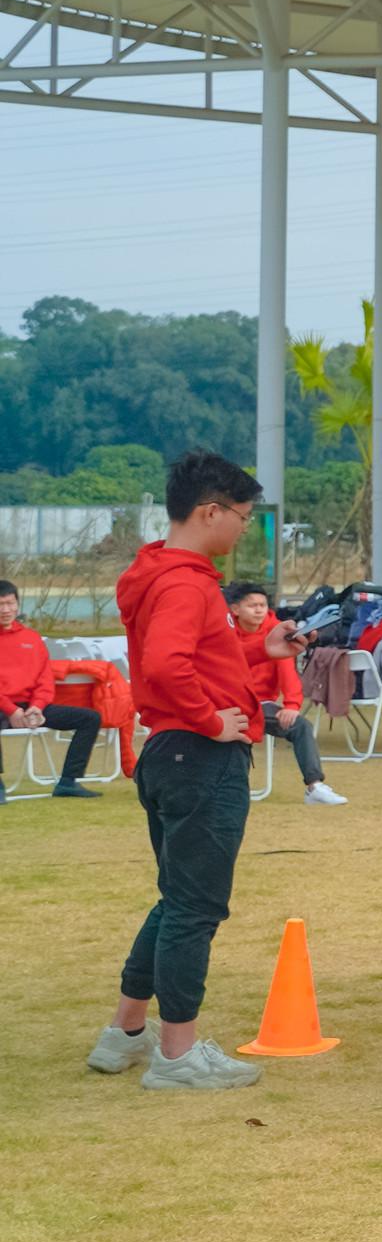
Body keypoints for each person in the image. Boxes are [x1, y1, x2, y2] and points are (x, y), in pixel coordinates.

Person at [82, 453, 269, 1090]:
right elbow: (165, 667)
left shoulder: (155, 569)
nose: (245, 527)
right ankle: (177, 1054)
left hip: (168, 751)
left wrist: (256, 648)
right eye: (243, 516)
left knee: (177, 898)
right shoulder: (189, 582)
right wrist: (213, 721)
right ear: (210, 511)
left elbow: (186, 654)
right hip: (200, 757)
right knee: (197, 906)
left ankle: (126, 1033)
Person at [225, 583, 346, 807]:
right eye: (252, 606)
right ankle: (229, 790)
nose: (259, 610)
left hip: (262, 704)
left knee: (301, 726)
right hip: (228, 702)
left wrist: (291, 704)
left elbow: (286, 670)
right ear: (235, 609)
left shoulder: (277, 632)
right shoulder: (224, 632)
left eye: (262, 605)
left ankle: (315, 786)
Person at [0, 575, 111, 801]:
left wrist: (37, 708)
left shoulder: (32, 638)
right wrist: (11, 710)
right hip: (4, 706)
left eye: (10, 603)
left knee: (89, 719)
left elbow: (44, 678)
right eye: (0, 604)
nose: (5, 609)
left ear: (18, 604)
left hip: (31, 707)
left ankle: (68, 782)